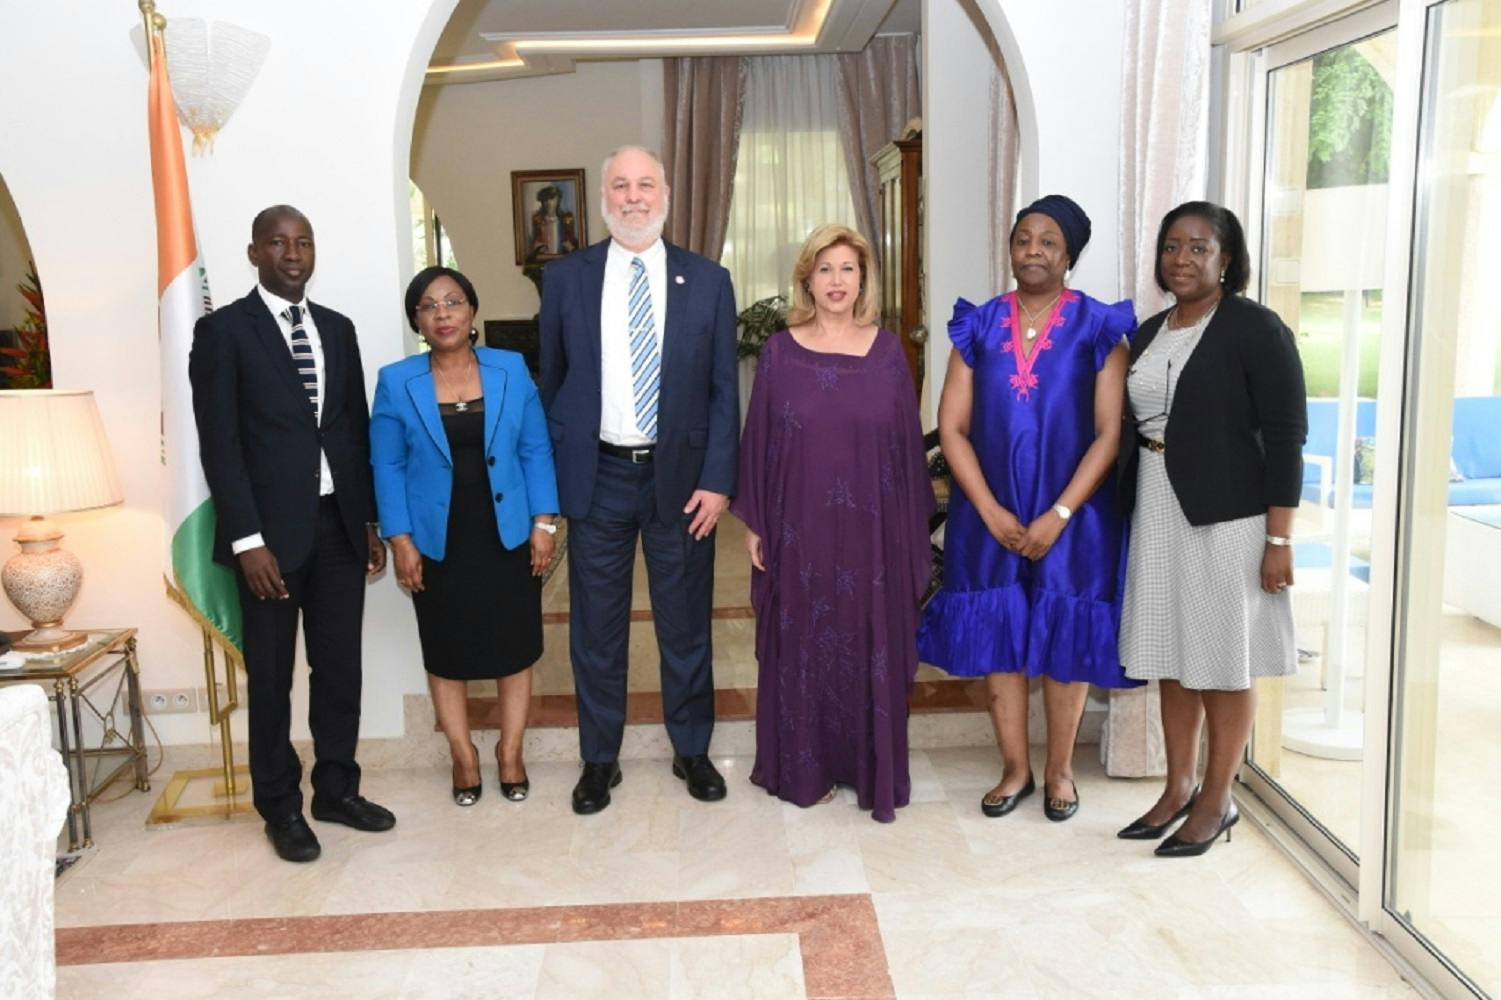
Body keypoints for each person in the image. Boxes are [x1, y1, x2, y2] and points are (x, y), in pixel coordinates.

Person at [918, 194, 1138, 822]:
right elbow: (951, 426)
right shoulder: (978, 326)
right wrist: (986, 512)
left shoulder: (1100, 327)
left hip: (1077, 517)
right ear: (1010, 249)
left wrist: (1060, 515)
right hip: (988, 516)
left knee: (1066, 640)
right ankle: (1015, 768)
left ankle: (1061, 771)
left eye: (1047, 241)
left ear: (1069, 254)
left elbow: (1107, 435)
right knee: (1000, 639)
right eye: (1023, 239)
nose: (1033, 251)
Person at [189, 205, 394, 863]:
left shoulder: (337, 328)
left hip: (338, 529)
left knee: (339, 670)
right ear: (254, 253)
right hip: (268, 544)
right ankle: (280, 806)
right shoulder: (223, 332)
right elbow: (219, 445)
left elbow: (352, 430)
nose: (293, 253)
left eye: (303, 241)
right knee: (272, 679)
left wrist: (366, 521)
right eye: (278, 242)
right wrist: (246, 541)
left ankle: (335, 789)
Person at [539, 145, 739, 815]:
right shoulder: (565, 277)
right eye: (619, 185)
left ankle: (691, 749)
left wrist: (718, 481)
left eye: (644, 184)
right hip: (596, 476)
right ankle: (599, 761)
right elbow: (554, 382)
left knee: (685, 625)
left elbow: (720, 393)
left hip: (681, 481)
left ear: (667, 194)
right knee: (595, 630)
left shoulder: (707, 280)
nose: (632, 197)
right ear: (602, 198)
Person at [1116, 201, 1306, 857]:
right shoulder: (1146, 333)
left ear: (1226, 258)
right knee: (1173, 653)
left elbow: (1285, 439)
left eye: (1198, 247)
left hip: (1229, 516)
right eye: (1172, 246)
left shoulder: (1255, 329)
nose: (1182, 259)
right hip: (1158, 505)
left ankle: (1216, 799)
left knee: (1223, 661)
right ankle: (1176, 788)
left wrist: (1278, 540)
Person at [732, 224, 934, 823]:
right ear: (807, 279)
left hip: (872, 537)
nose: (837, 282)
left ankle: (869, 768)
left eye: (848, 269)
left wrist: (906, 535)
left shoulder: (889, 351)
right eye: (825, 270)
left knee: (868, 641)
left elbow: (903, 448)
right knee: (806, 644)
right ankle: (805, 768)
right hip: (800, 531)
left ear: (862, 279)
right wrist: (756, 523)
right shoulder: (779, 354)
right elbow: (759, 444)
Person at [370, 266, 560, 806]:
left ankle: (510, 751)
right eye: (429, 306)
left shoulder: (511, 368)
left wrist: (544, 521)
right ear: (417, 321)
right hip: (437, 540)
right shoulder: (396, 380)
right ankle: (463, 755)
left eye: (453, 301)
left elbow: (535, 449)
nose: (443, 313)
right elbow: (386, 464)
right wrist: (400, 539)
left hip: (507, 532)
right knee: (446, 650)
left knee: (514, 647)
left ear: (472, 311)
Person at [530, 185, 579, 259]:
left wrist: (570, 247)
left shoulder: (566, 219)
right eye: (545, 199)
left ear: (558, 200)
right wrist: (537, 247)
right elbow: (534, 243)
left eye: (552, 199)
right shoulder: (538, 220)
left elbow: (572, 243)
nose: (548, 203)